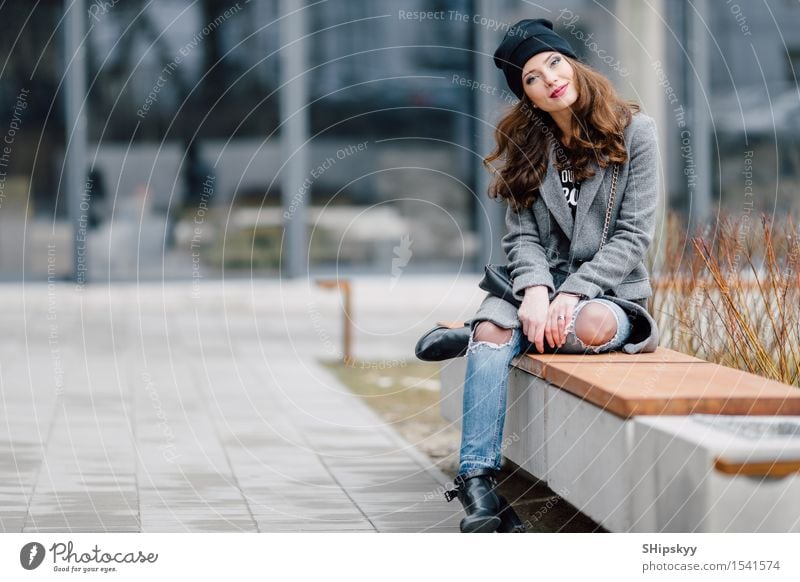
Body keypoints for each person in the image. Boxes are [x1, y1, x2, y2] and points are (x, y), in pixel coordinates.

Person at [446, 18, 660, 532]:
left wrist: (572, 292)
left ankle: (476, 339)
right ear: (528, 98)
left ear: (572, 63)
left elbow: (633, 237)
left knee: (582, 328)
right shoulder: (529, 144)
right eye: (532, 79)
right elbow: (521, 237)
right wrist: (538, 289)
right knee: (494, 330)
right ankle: (478, 484)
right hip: (536, 288)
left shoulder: (636, 132)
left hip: (608, 293)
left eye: (554, 64)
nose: (550, 80)